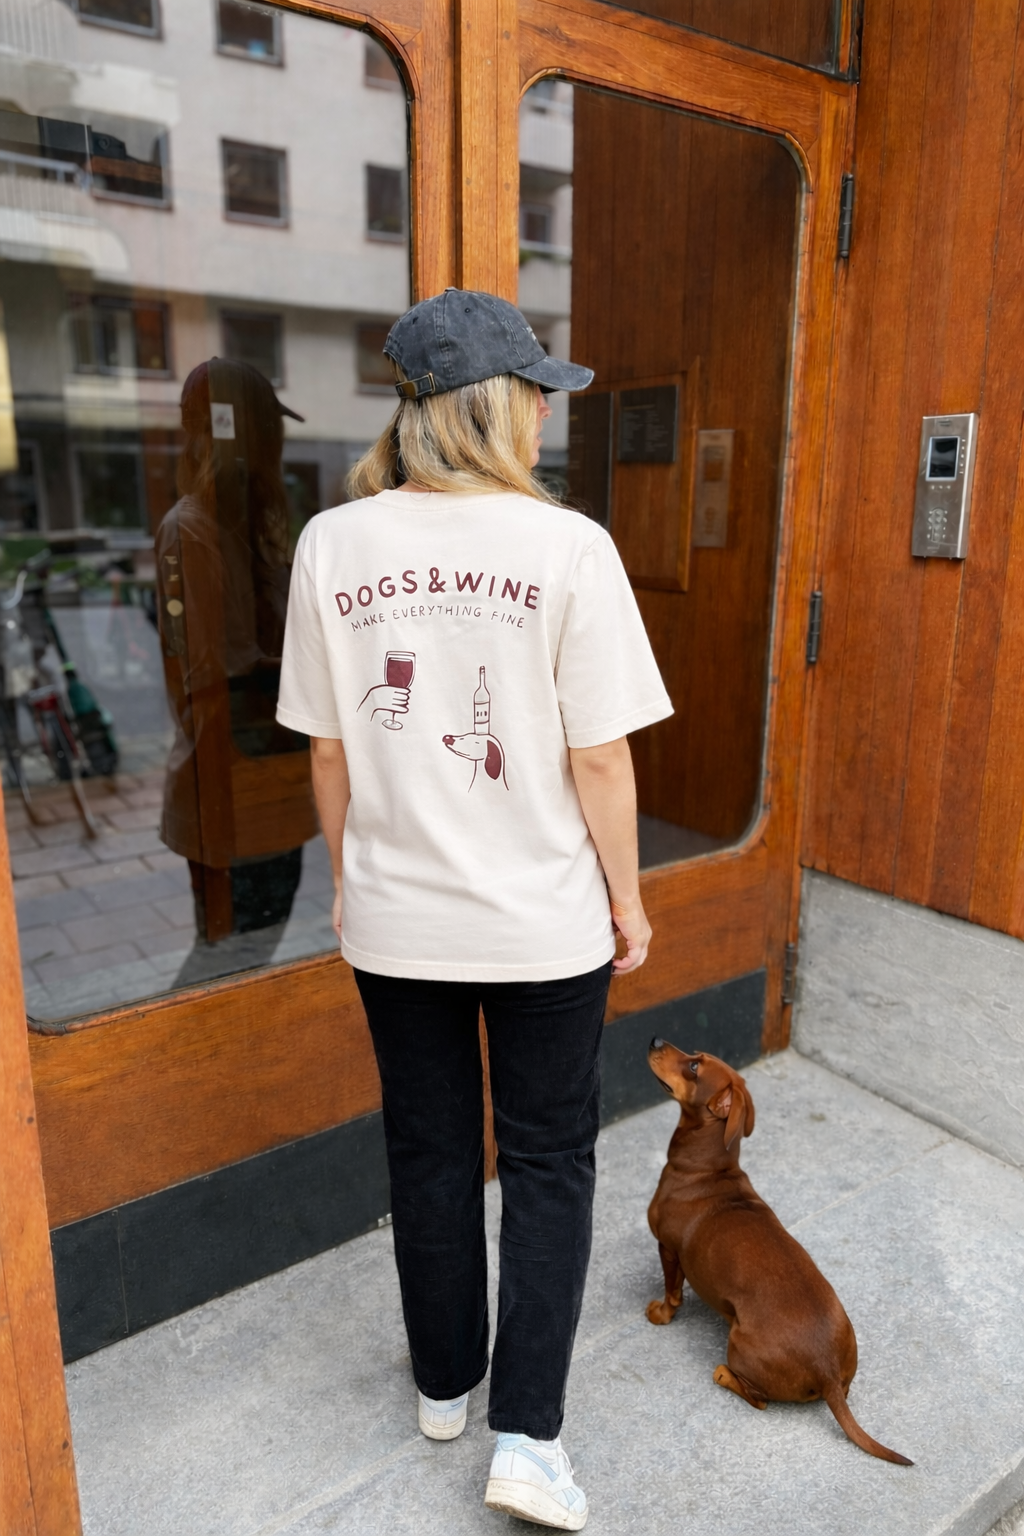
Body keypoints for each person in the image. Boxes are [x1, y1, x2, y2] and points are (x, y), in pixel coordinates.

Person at [277, 289, 672, 1530]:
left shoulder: (332, 544)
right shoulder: (568, 548)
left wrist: (348, 876)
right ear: (500, 409)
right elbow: (598, 756)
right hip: (542, 921)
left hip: (398, 920)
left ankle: (444, 1385)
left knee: (430, 1150)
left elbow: (328, 750)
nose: (549, 415)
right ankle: (528, 1440)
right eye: (540, 394)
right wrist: (627, 897)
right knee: (548, 1162)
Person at [157, 358, 318, 981]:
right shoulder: (193, 530)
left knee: (253, 952)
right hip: (232, 785)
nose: (274, 450)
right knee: (228, 963)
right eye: (267, 432)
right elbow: (220, 676)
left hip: (269, 784)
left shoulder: (245, 527)